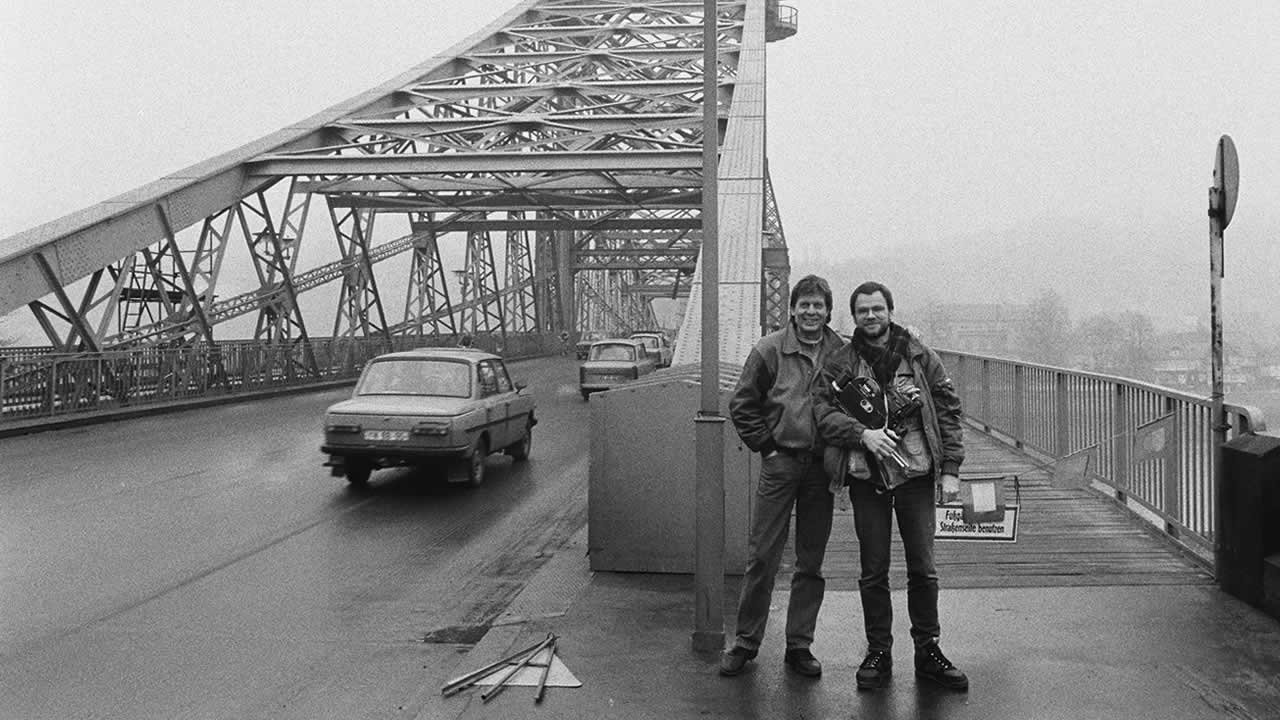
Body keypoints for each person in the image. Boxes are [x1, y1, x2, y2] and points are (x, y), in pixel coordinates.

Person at [812, 281, 969, 691]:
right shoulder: (841, 362)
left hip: (915, 476)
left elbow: (948, 409)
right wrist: (861, 434)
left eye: (877, 309)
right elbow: (821, 412)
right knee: (873, 569)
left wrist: (951, 468)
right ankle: (879, 651)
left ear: (890, 311)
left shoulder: (919, 356)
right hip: (867, 478)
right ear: (854, 316)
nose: (870, 316)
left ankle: (928, 651)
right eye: (863, 310)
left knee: (923, 568)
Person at [719, 274, 847, 678]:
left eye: (818, 305)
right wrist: (767, 448)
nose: (811, 312)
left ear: (828, 311)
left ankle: (799, 645)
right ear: (792, 309)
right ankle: (746, 642)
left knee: (811, 560)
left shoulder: (842, 353)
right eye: (804, 304)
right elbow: (742, 403)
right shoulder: (768, 349)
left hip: (821, 466)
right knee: (763, 555)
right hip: (781, 463)